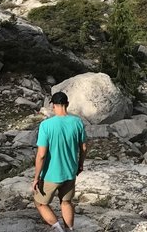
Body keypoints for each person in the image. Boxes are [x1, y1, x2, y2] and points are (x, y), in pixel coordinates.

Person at [32, 91, 87, 232]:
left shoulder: (46, 125)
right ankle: (69, 230)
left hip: (50, 174)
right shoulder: (77, 122)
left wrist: (36, 177)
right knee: (66, 201)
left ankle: (58, 229)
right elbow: (84, 147)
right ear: (67, 104)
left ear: (53, 106)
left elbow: (41, 155)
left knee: (40, 203)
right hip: (70, 172)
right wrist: (80, 164)